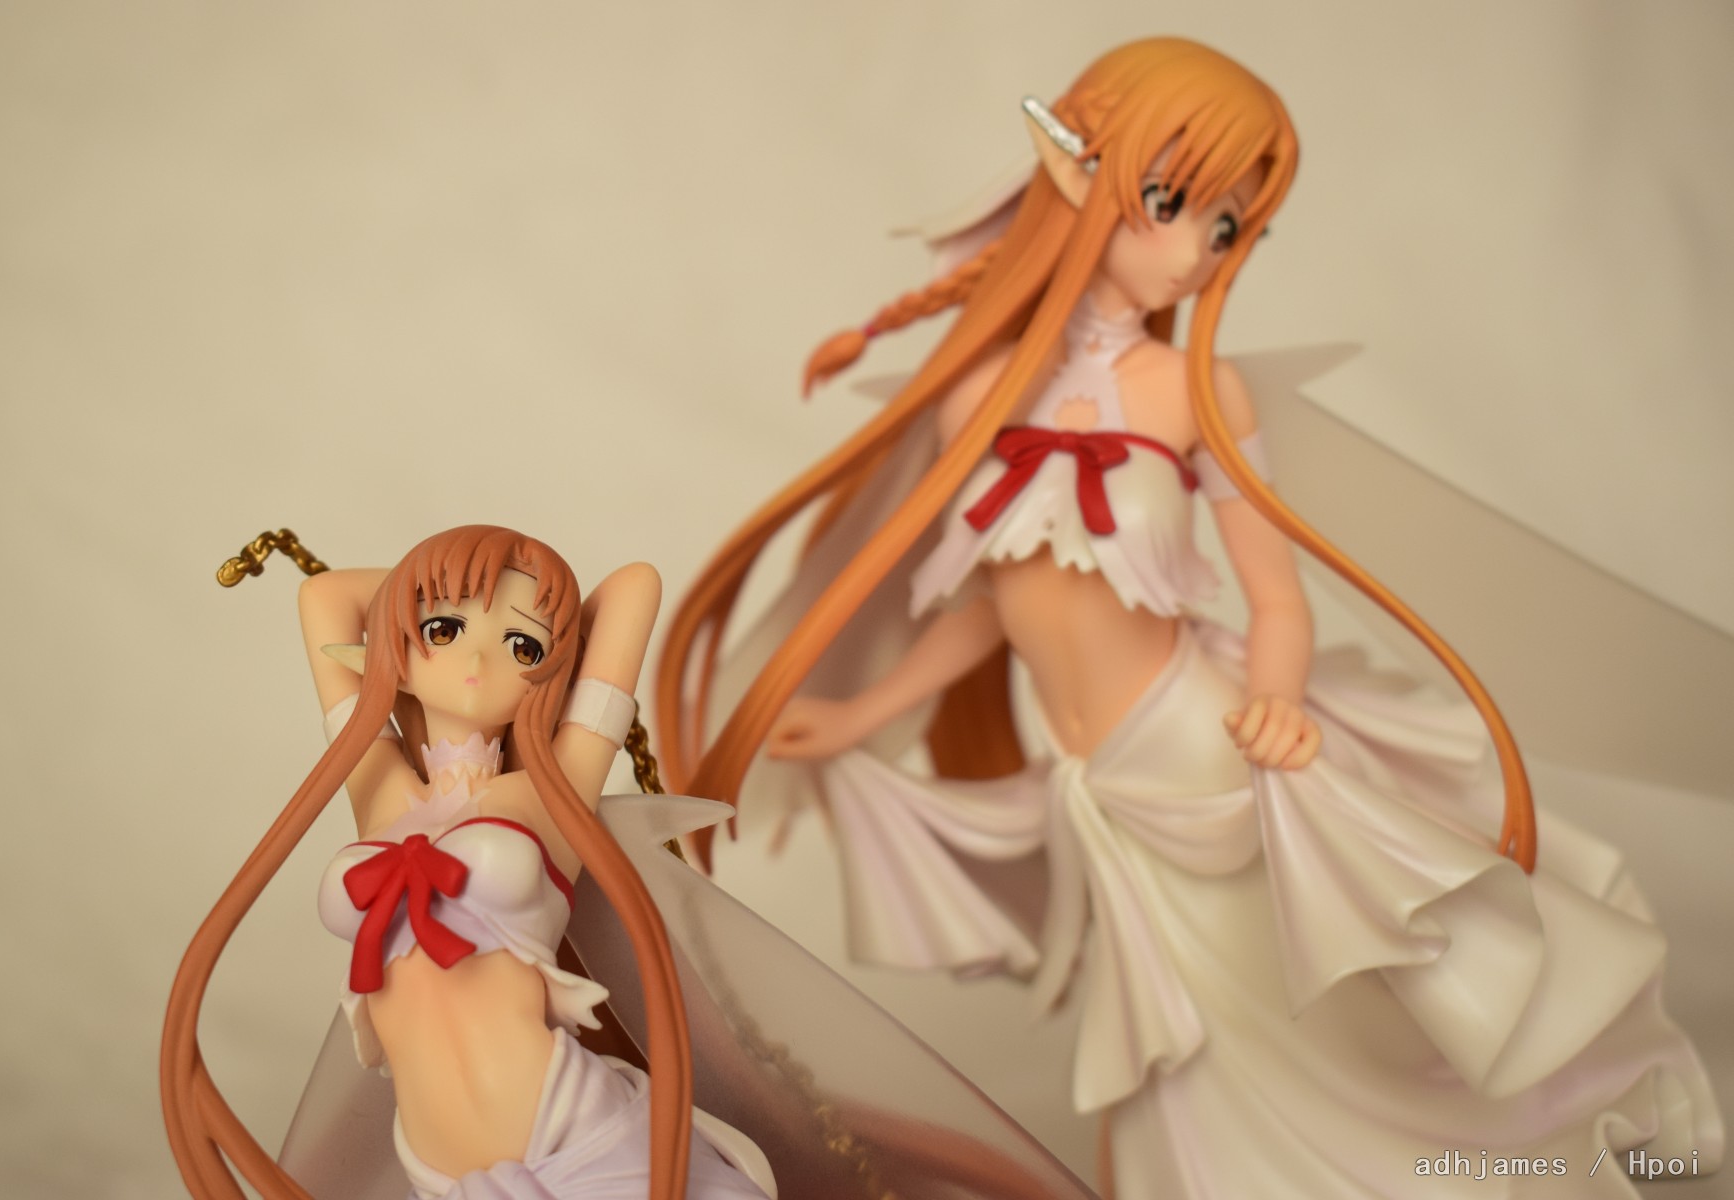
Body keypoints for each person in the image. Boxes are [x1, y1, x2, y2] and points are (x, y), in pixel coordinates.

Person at [656, 38, 1724, 1198]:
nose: (1195, 254)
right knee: (1171, 1030)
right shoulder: (979, 393)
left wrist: (1276, 701)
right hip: (1098, 780)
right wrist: (865, 710)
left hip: (1201, 750)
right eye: (1170, 205)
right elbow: (996, 605)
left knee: (1297, 1007)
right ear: (1077, 172)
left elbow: (1275, 596)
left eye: (1228, 229)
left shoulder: (1196, 393)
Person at [162, 525, 774, 1200]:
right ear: (393, 650)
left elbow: (636, 587)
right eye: (445, 630)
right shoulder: (378, 789)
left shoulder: (552, 793)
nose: (478, 657)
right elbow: (323, 597)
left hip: (575, 1133)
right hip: (443, 1175)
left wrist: (478, 586)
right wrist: (427, 590)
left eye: (522, 644)